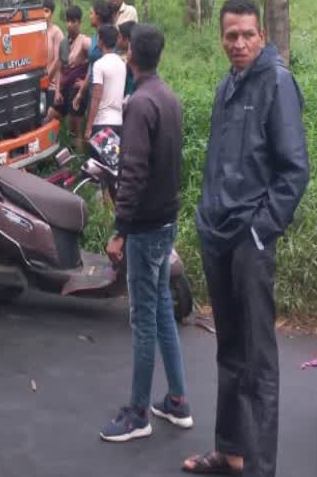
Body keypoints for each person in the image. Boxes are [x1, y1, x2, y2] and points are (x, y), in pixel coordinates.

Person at [184, 0, 310, 477]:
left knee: (258, 360)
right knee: (229, 350)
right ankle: (230, 451)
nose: (238, 43)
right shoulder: (227, 85)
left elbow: (294, 170)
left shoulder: (276, 82)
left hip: (249, 240)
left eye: (247, 35)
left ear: (262, 36)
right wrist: (205, 215)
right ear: (221, 38)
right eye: (230, 35)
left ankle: (259, 467)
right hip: (217, 233)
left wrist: (260, 231)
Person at [98, 24, 190, 442]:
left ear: (131, 56)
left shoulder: (138, 104)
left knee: (143, 320)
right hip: (167, 219)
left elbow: (132, 173)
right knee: (161, 312)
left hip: (146, 227)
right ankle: (177, 400)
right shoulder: (169, 98)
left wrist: (121, 231)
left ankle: (138, 412)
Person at [76, 24, 126, 140]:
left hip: (102, 123)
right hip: (118, 123)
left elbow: (96, 96)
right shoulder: (122, 63)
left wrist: (88, 127)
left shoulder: (99, 65)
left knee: (97, 159)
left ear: (101, 41)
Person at [44, 0, 64, 117]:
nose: (43, 14)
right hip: (37, 84)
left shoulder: (56, 32)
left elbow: (58, 61)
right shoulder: (36, 32)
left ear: (52, 13)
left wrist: (46, 80)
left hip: (51, 85)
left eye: (46, 11)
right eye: (40, 11)